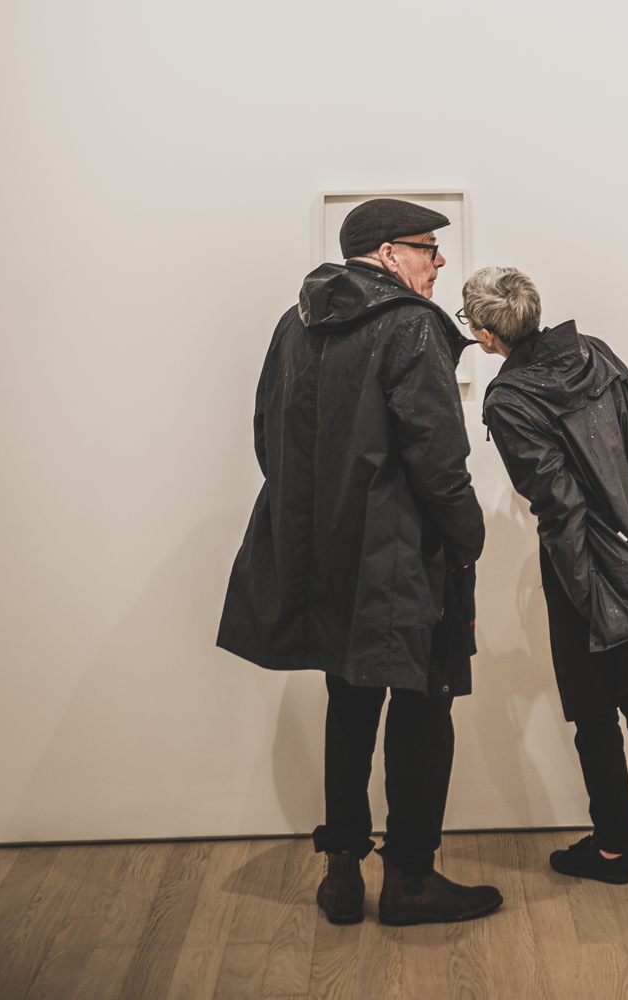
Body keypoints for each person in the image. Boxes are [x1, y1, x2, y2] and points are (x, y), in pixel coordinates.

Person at [218, 199, 502, 925]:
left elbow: (265, 433)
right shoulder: (409, 327)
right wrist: (467, 536)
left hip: (325, 559)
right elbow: (438, 460)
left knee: (348, 703)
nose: (440, 263)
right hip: (399, 561)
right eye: (427, 249)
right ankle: (410, 881)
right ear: (384, 253)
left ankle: (341, 871)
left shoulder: (296, 323)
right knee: (421, 710)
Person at [461, 266, 628, 885]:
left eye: (473, 324)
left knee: (596, 708)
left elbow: (560, 501)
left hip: (587, 563)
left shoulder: (509, 399)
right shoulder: (593, 353)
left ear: (490, 335)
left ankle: (609, 852)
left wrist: (586, 589)